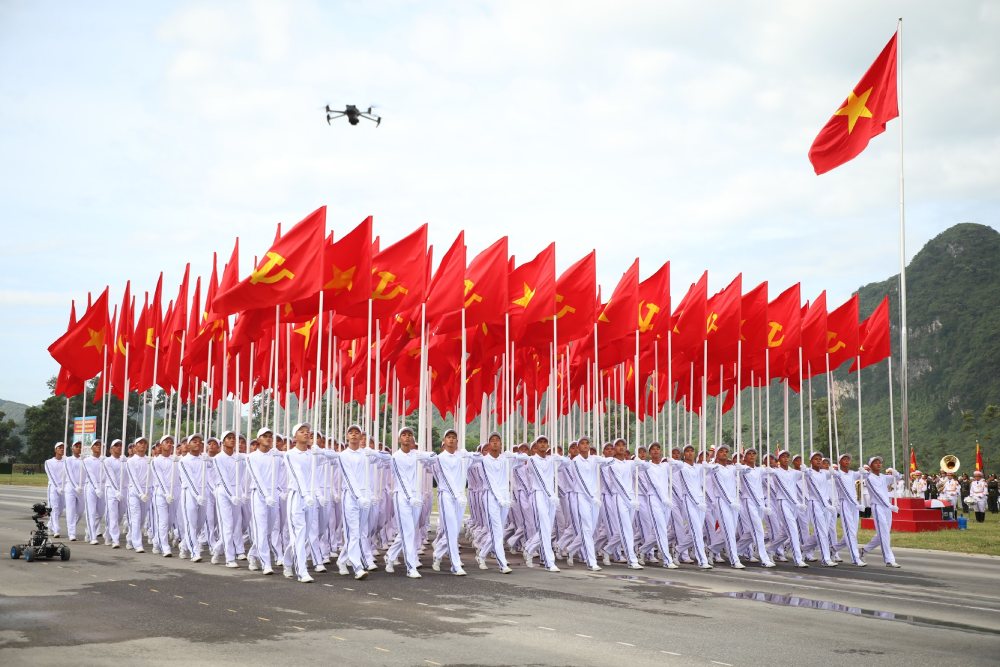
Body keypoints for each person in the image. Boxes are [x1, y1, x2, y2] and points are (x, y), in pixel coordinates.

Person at [383, 426, 435, 578]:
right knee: (409, 532)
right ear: (400, 439)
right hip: (402, 497)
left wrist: (425, 456)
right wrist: (410, 497)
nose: (407, 437)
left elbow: (433, 456)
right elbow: (401, 479)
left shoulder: (415, 454)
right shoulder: (395, 457)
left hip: (416, 497)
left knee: (409, 531)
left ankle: (391, 556)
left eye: (410, 435)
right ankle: (411, 567)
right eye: (404, 435)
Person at [860, 456, 902, 567]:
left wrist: (895, 472)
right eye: (875, 463)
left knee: (884, 534)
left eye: (880, 462)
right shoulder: (869, 479)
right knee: (884, 533)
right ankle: (889, 559)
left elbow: (897, 478)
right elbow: (877, 495)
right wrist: (890, 505)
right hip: (878, 507)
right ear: (870, 466)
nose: (878, 464)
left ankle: (864, 550)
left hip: (887, 507)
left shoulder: (883, 477)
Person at [103, 439, 127, 548]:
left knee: (120, 515)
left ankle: (108, 533)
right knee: (113, 515)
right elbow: (111, 477)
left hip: (123, 490)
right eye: (116, 445)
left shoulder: (125, 460)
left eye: (120, 445)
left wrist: (126, 461)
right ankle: (115, 540)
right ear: (111, 449)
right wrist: (116, 491)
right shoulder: (107, 461)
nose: (119, 447)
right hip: (111, 491)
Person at [63, 440, 85, 541]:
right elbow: (69, 474)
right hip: (71, 488)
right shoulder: (68, 460)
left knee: (80, 511)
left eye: (80, 446)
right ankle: (71, 532)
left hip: (82, 488)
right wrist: (75, 486)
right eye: (76, 446)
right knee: (71, 510)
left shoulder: (84, 459)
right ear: (72, 448)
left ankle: (71, 525)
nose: (78, 448)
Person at [44, 443, 67, 537]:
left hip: (63, 488)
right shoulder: (48, 462)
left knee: (61, 510)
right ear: (55, 450)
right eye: (59, 448)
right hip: (53, 488)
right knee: (54, 508)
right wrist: (57, 487)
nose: (61, 449)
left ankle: (50, 525)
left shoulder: (66, 461)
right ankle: (56, 530)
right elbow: (51, 476)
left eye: (63, 448)